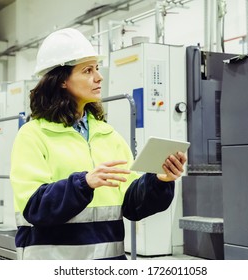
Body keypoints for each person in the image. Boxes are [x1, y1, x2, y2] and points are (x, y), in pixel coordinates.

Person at [10, 28, 187, 260]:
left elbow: (132, 205)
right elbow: (35, 207)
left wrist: (159, 181)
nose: (99, 77)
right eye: (87, 70)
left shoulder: (108, 135)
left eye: (96, 68)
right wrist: (84, 183)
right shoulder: (32, 135)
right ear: (62, 80)